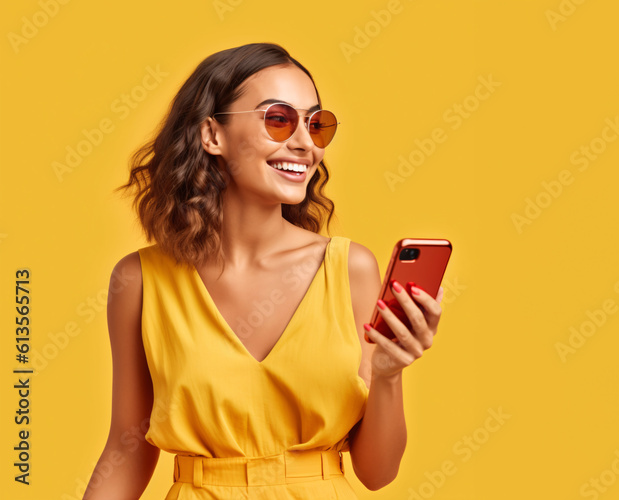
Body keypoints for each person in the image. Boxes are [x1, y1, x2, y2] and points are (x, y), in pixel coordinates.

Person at [82, 42, 443, 499]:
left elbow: (377, 472)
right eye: (278, 119)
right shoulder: (139, 280)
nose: (305, 143)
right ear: (211, 135)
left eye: (316, 124)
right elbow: (127, 448)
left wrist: (390, 374)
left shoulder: (349, 269)